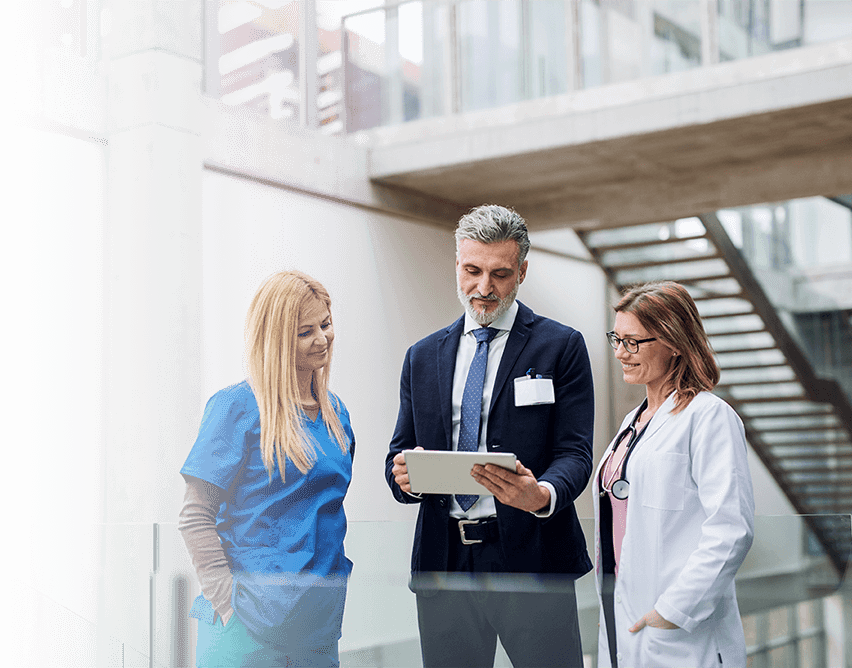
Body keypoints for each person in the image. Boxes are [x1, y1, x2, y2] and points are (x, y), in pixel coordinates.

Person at [385, 204, 595, 668]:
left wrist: (540, 494)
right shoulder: (422, 356)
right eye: (472, 271)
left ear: (522, 270)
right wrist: (403, 475)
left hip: (534, 560)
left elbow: (576, 453)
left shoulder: (561, 346)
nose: (484, 288)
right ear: (456, 264)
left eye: (500, 274)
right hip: (445, 562)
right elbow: (399, 452)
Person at [179, 270, 355, 667]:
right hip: (247, 625)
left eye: (326, 325)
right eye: (305, 331)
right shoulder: (236, 407)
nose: (322, 339)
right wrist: (226, 602)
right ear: (276, 339)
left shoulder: (336, 415)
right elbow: (195, 516)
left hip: (318, 624)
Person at [595, 281, 754, 668]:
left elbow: (731, 529)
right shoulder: (634, 422)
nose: (620, 352)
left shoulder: (709, 417)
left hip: (678, 629)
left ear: (675, 342)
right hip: (621, 613)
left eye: (633, 342)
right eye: (617, 338)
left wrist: (673, 611)